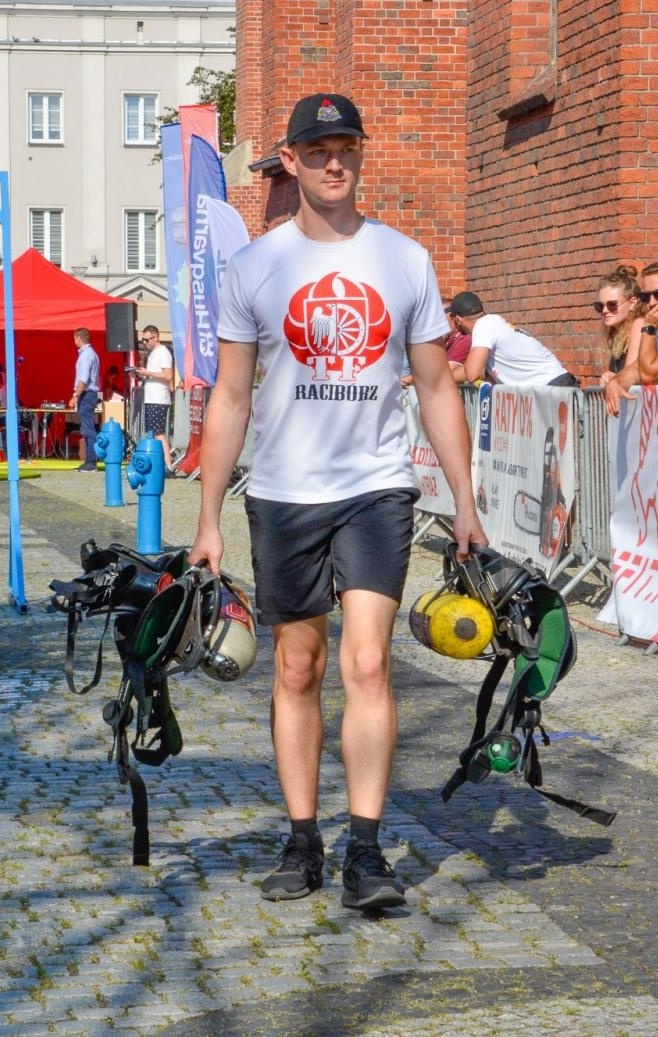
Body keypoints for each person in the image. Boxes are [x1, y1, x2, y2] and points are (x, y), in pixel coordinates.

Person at [188, 92, 484, 912]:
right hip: (284, 490)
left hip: (376, 487)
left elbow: (435, 385)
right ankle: (301, 839)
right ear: (289, 160)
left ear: (359, 155)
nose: (332, 161)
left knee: (365, 661)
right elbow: (231, 399)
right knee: (296, 663)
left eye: (346, 147)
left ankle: (365, 848)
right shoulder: (254, 267)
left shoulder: (404, 261)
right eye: (317, 149)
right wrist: (209, 519)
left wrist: (464, 498)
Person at [447, 291, 574, 387]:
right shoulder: (491, 324)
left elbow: (473, 374)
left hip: (551, 387)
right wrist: (443, 380)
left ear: (458, 319)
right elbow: (468, 370)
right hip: (552, 385)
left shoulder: (483, 325)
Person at [594, 265, 644, 392]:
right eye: (600, 306)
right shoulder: (618, 334)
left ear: (632, 303)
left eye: (612, 305)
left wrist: (614, 378)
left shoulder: (639, 325)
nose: (605, 311)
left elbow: (630, 374)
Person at [134, 325, 177, 468]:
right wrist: (141, 374)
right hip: (152, 397)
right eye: (143, 340)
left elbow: (168, 375)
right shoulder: (153, 353)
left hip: (159, 399)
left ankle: (168, 465)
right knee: (153, 433)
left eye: (147, 340)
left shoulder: (163, 352)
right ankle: (160, 464)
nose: (145, 343)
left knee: (159, 434)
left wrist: (148, 373)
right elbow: (155, 375)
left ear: (156, 338)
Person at [69, 327, 101, 470]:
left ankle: (91, 461)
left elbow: (83, 378)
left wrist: (76, 395)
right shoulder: (89, 354)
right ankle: (90, 460)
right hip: (88, 393)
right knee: (86, 427)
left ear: (78, 338)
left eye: (74, 338)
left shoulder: (86, 355)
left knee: (88, 428)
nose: (74, 341)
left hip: (87, 393)